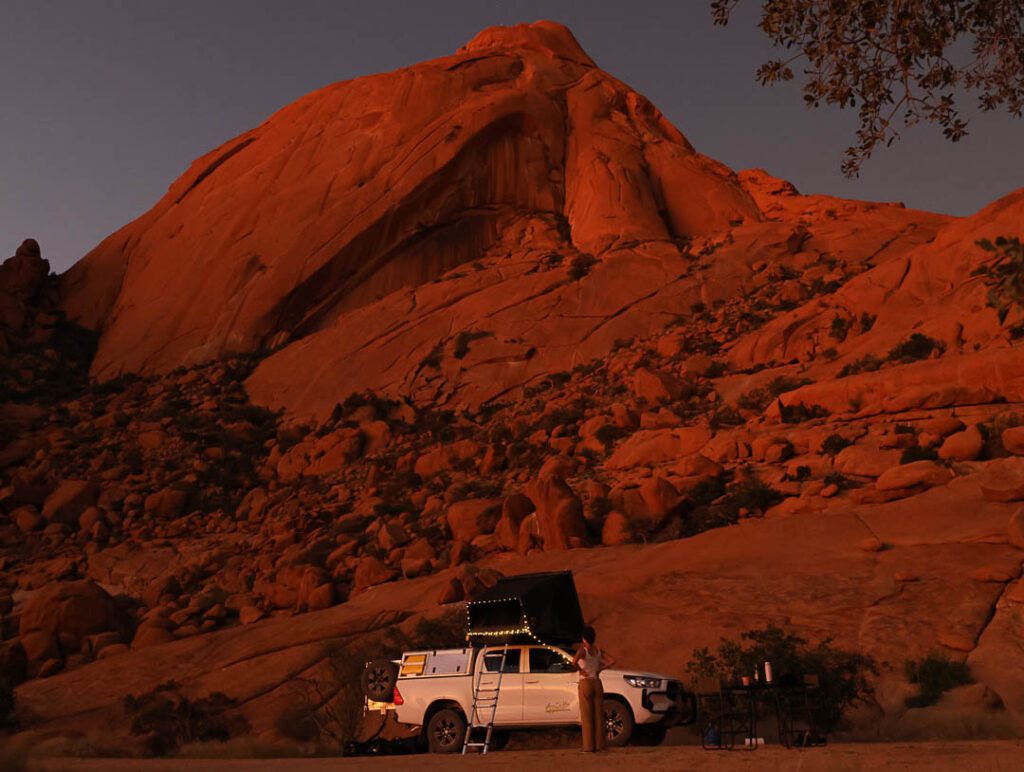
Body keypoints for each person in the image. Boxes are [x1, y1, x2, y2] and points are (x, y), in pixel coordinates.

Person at [572, 625, 616, 752]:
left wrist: (581, 671)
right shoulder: (598, 650)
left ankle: (588, 746)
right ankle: (600, 745)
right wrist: (600, 668)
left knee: (587, 715)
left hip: (586, 683)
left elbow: (573, 662)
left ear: (584, 638)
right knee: (598, 715)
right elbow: (613, 660)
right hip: (597, 682)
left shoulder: (582, 651)